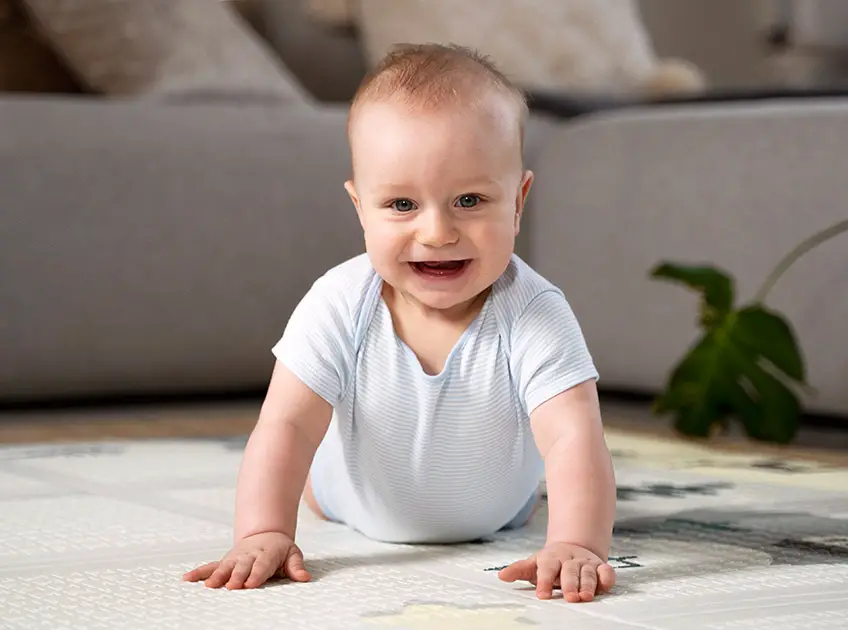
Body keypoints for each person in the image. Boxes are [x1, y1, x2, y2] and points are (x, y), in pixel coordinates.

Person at [183, 42, 617, 603]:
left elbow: (573, 435)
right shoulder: (338, 302)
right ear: (360, 205)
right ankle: (317, 492)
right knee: (312, 473)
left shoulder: (534, 311)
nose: (437, 232)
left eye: (469, 199)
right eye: (402, 206)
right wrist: (263, 531)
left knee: (556, 477)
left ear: (518, 200)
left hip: (500, 512)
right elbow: (286, 427)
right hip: (348, 498)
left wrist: (578, 543)